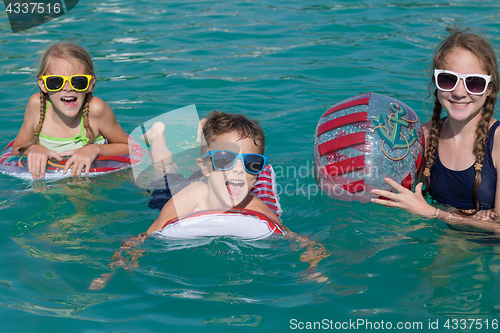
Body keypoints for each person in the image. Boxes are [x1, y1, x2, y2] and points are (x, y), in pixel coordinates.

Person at [89, 111, 329, 290]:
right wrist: (113, 270)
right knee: (164, 174)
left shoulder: (253, 204)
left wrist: (313, 267)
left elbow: (298, 239)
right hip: (184, 190)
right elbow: (141, 237)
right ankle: (157, 135)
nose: (238, 171)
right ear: (205, 167)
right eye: (225, 159)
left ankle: (204, 136)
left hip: (209, 181)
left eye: (251, 164)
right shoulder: (188, 199)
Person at [371, 28, 500, 232]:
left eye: (474, 83)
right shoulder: (427, 134)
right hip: (438, 239)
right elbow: (398, 194)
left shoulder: (498, 141)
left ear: (490, 88)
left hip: (484, 252)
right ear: (436, 82)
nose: (459, 92)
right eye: (448, 79)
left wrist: (435, 213)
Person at [12, 42, 129, 179]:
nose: (68, 88)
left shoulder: (96, 110)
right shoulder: (36, 106)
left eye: (78, 81)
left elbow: (129, 147)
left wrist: (95, 149)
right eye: (56, 82)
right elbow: (16, 149)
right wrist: (33, 149)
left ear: (90, 84)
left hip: (94, 184)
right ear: (43, 85)